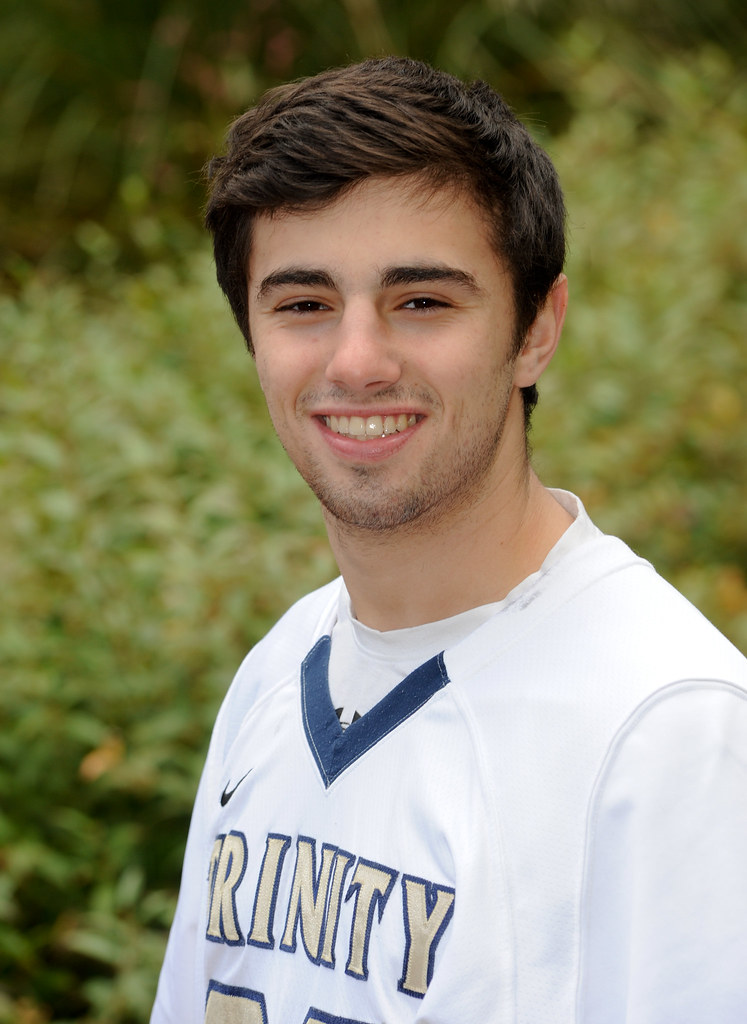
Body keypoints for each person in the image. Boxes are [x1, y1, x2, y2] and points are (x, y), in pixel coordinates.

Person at [150, 57, 747, 1024]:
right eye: (303, 305)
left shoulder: (667, 728)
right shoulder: (277, 671)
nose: (357, 361)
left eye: (422, 301)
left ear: (535, 329)